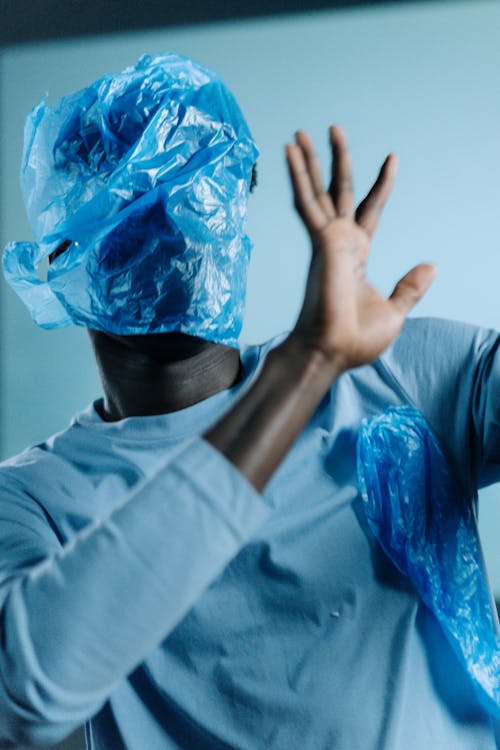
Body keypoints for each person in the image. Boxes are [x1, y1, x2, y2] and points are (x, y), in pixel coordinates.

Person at [0, 53, 498, 750]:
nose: (178, 222)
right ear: (65, 253)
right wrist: (307, 365)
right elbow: (26, 693)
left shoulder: (399, 374)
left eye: (202, 190)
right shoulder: (33, 502)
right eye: (138, 205)